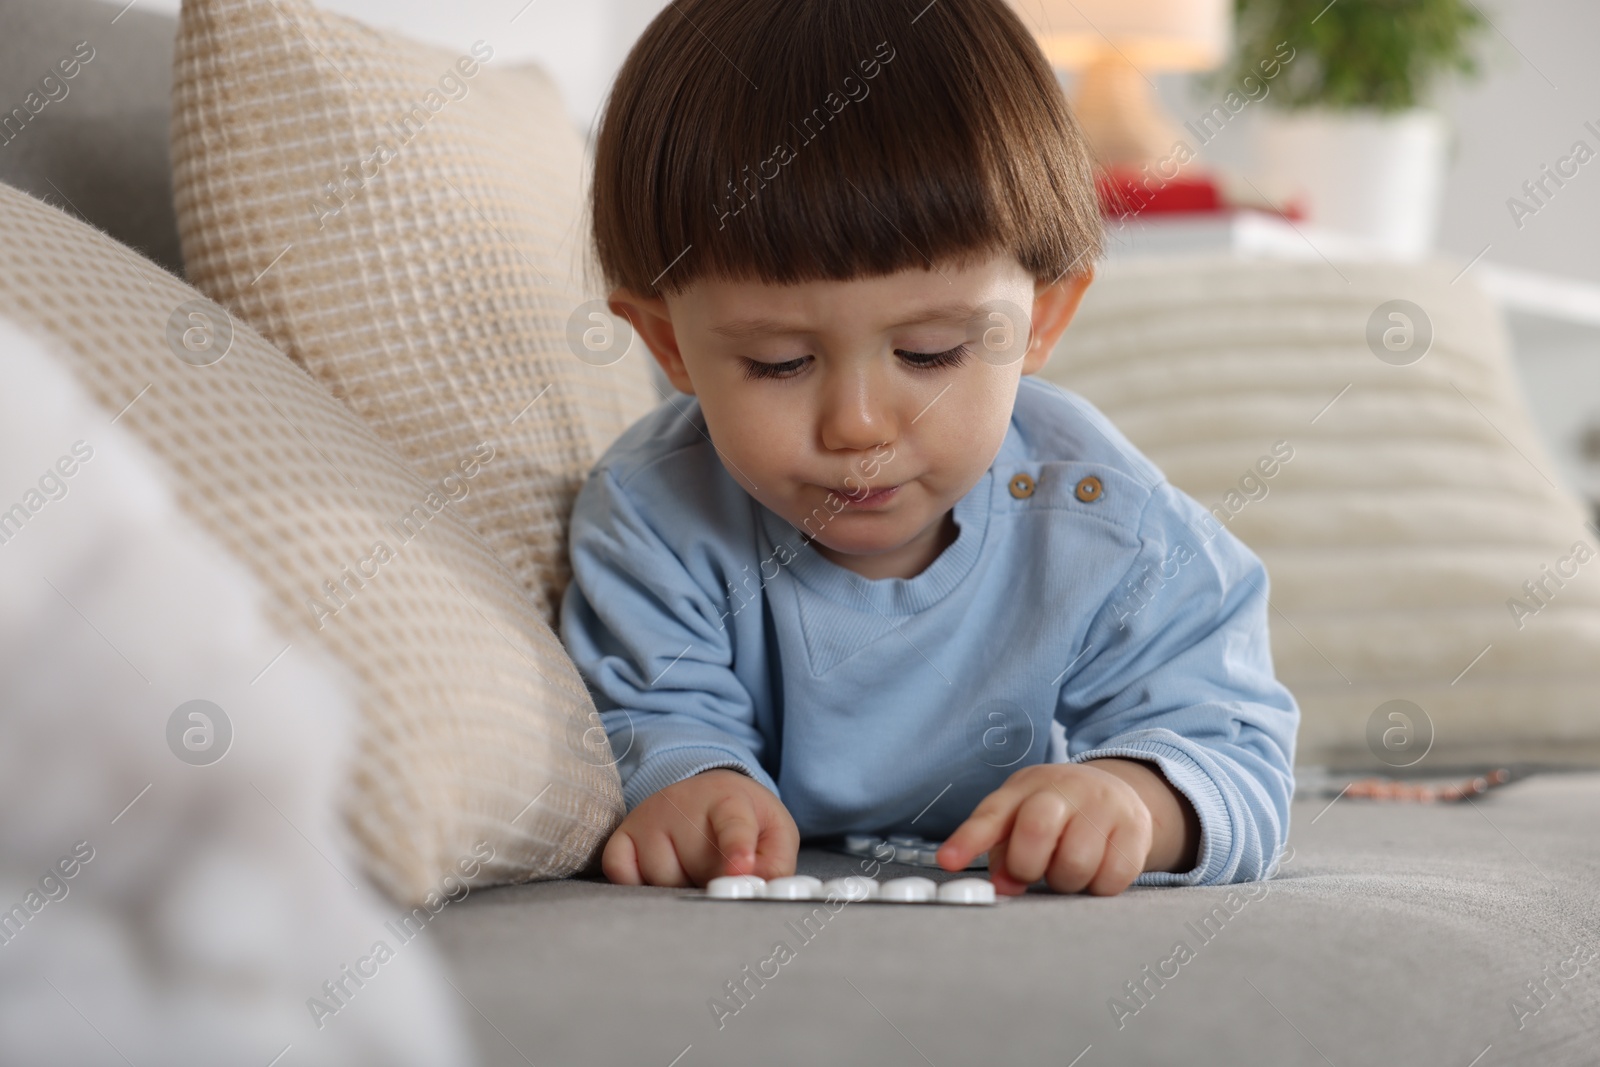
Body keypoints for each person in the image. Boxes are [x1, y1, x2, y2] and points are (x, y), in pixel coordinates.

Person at [560, 0, 1298, 896]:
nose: (858, 425)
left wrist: (1133, 799)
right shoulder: (652, 512)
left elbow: (1230, 742)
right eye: (778, 362)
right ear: (668, 343)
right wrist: (693, 786)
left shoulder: (1104, 521)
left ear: (1044, 318)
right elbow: (645, 716)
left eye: (929, 353)